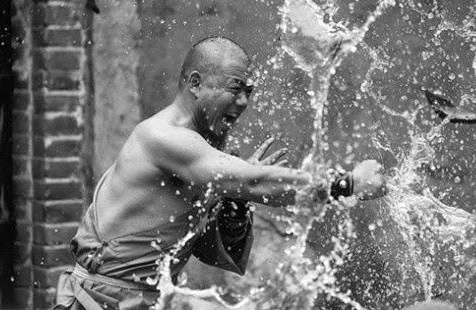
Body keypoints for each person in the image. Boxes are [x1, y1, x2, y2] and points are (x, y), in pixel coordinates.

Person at [55, 36, 387, 310]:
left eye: (249, 92)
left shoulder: (201, 153)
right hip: (101, 302)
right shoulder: (163, 138)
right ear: (196, 84)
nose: (243, 102)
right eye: (234, 89)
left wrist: (236, 203)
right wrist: (347, 184)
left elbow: (211, 252)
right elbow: (253, 181)